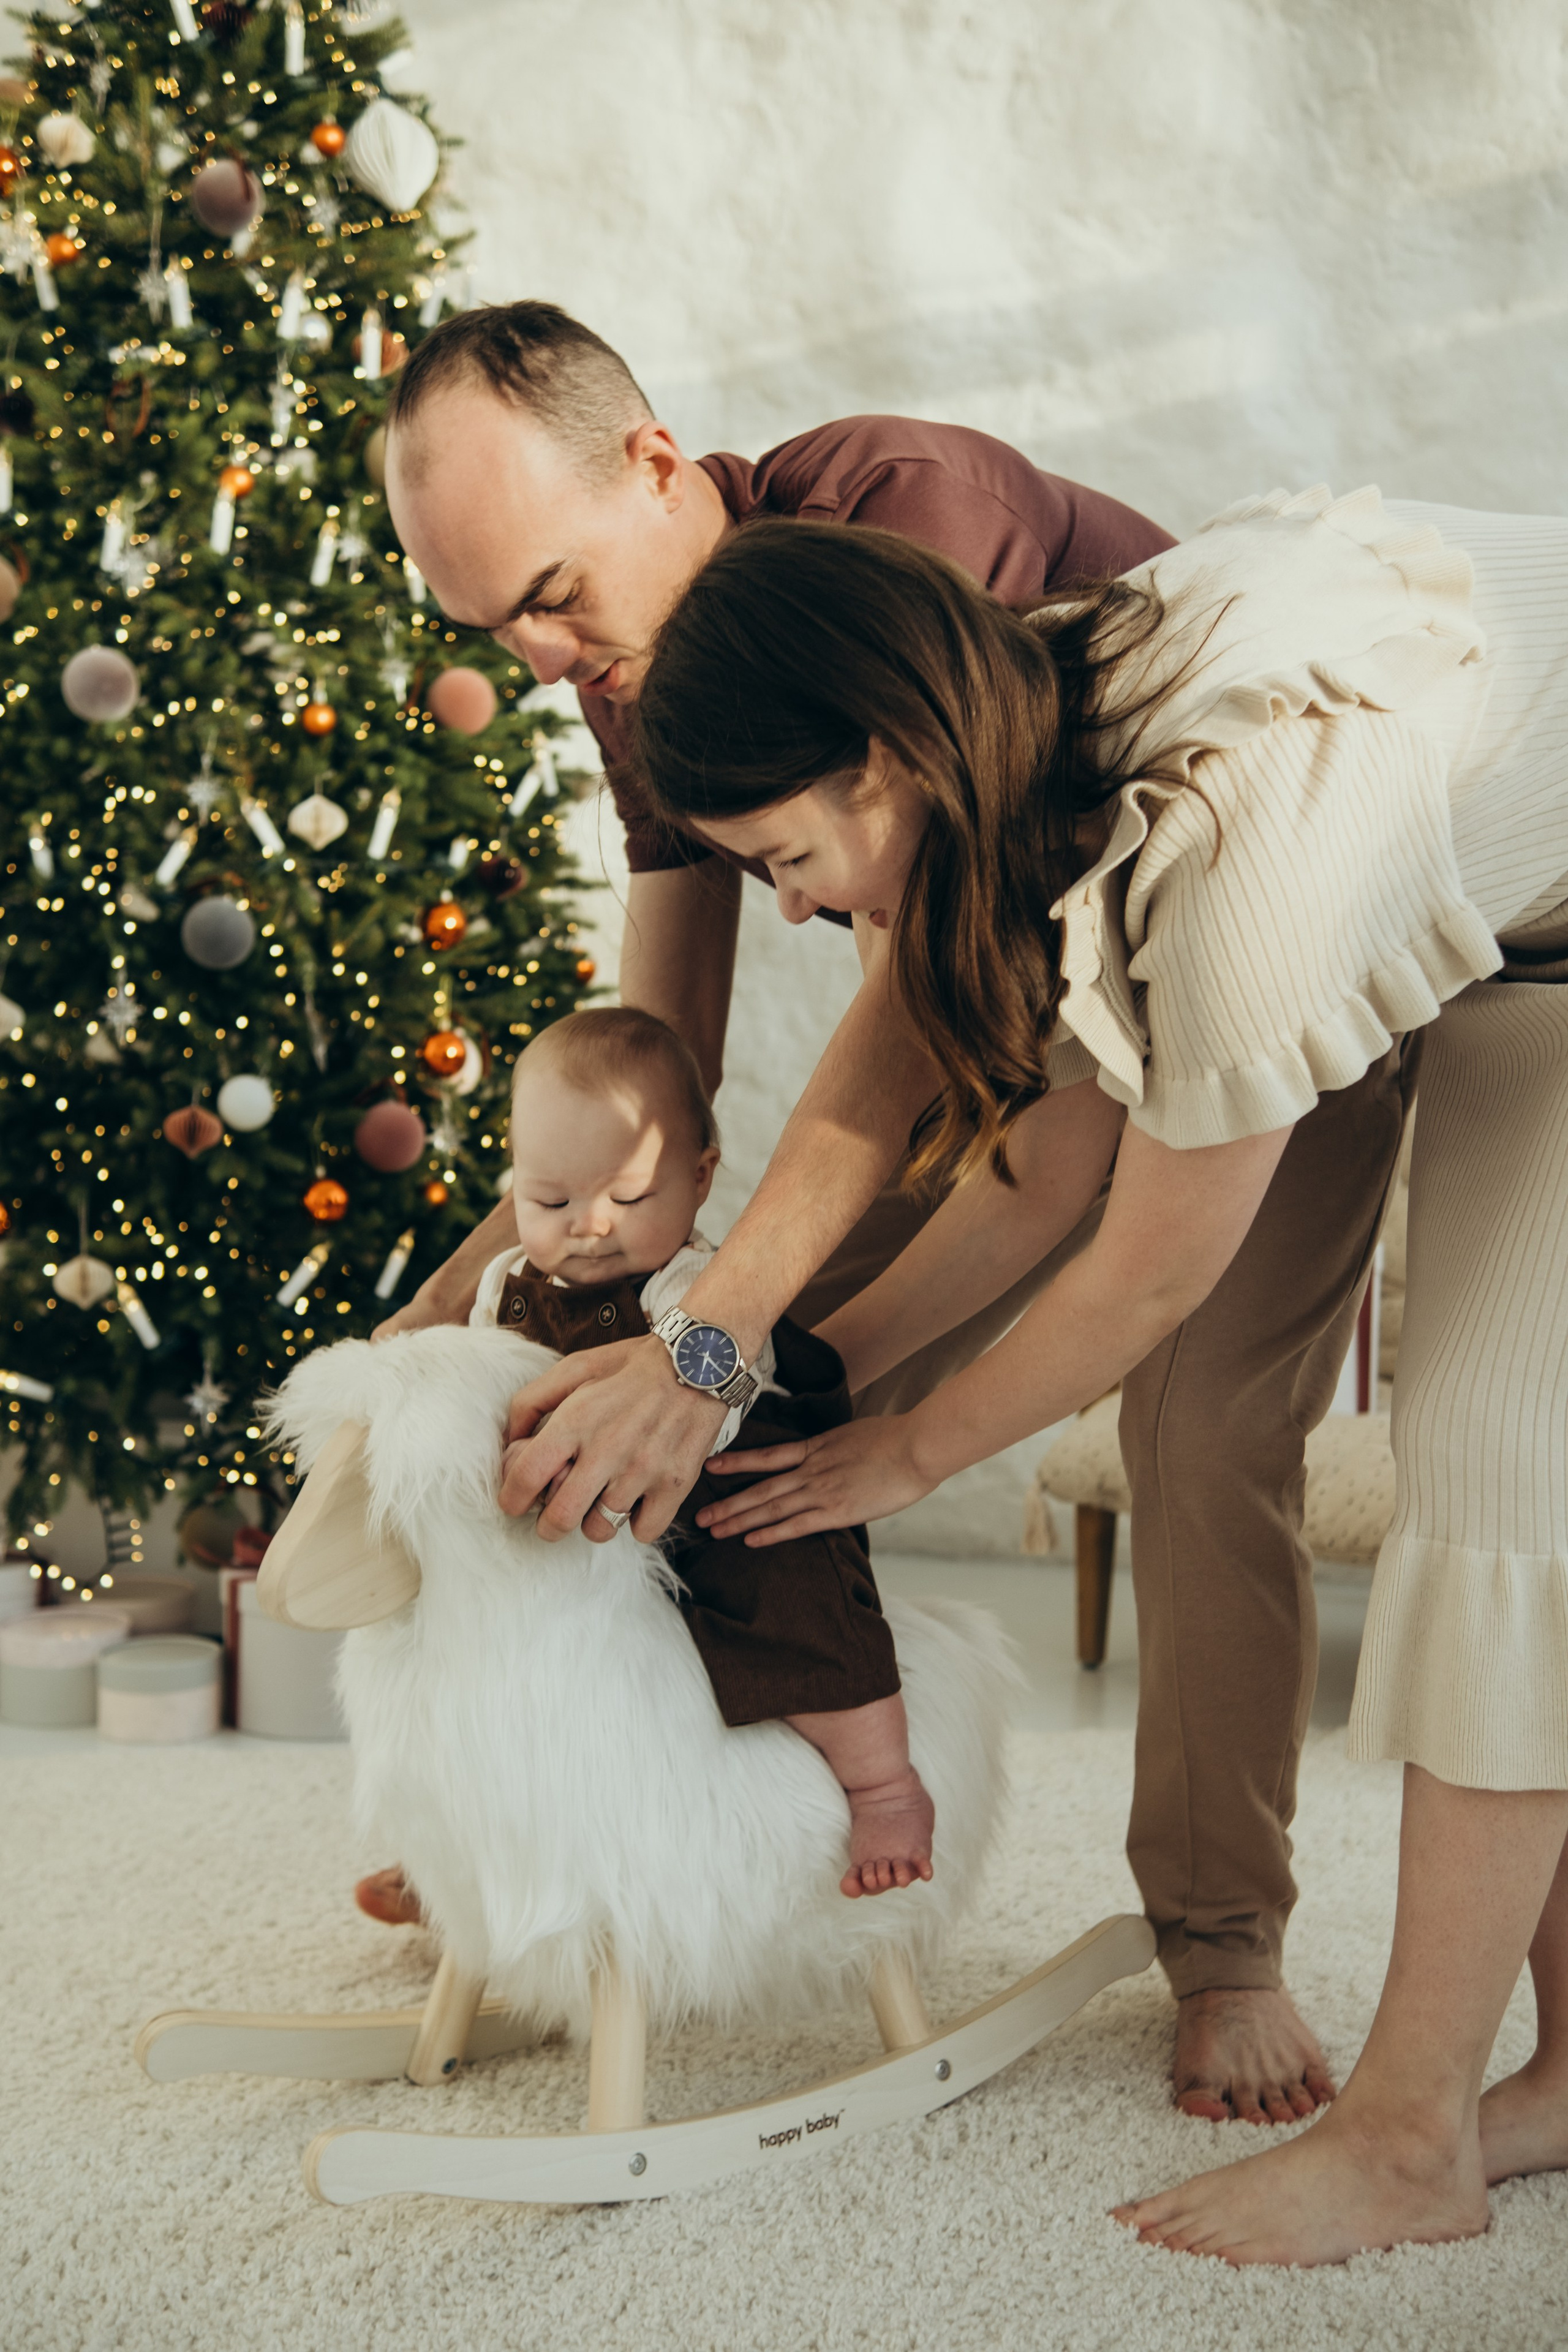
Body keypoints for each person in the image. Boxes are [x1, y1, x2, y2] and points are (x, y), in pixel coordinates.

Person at [496, 488, 1568, 2265]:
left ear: (878, 767)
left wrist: (904, 1456)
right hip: (1505, 896)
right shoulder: (1017, 720)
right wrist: (752, 1364)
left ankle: (1405, 2141)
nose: (788, 905)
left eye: (779, 862)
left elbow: (1145, 1255)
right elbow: (983, 1121)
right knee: (1508, 1515)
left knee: (1505, 1508)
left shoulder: (1242, 840)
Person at [375, 299, 1366, 2126]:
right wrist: (489, 1291)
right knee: (676, 1384)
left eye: (544, 592)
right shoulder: (630, 666)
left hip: (1243, 958)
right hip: (1024, 1016)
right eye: (484, 628)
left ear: (658, 469)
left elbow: (904, 1022)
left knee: (1202, 1418)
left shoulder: (896, 512)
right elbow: (651, 1050)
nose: (533, 655)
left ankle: (1224, 1939)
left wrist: (718, 1332)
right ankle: (566, 1828)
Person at [488, 1005, 931, 1897]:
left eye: (629, 1197)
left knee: (798, 1596)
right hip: (579, 1517)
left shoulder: (694, 1278)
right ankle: (483, 1847)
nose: (590, 1225)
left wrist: (688, 1372)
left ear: (699, 1179)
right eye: (550, 1200)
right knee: (495, 1665)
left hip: (723, 1489)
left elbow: (739, 1359)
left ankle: (883, 1784)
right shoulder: (507, 1286)